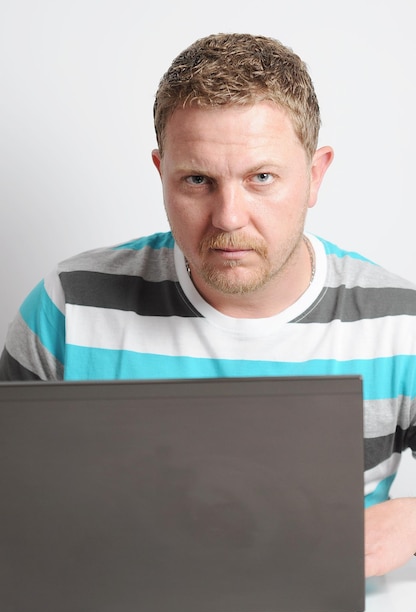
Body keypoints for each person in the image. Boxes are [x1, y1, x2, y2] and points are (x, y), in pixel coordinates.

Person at [1, 32, 416, 578]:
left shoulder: (398, 325)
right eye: (198, 180)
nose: (228, 217)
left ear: (315, 176)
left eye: (261, 178)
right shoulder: (70, 305)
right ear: (160, 172)